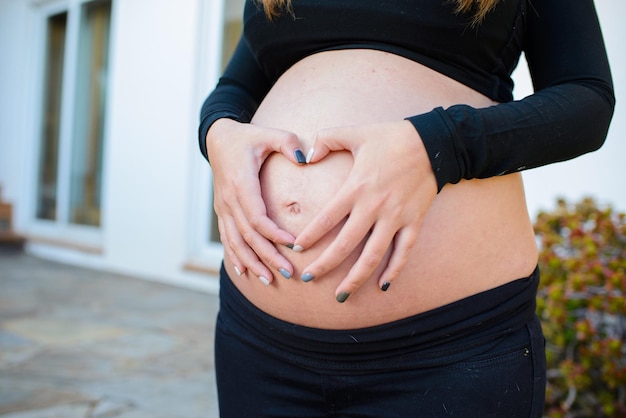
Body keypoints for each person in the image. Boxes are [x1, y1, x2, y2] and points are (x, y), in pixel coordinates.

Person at [199, 0, 614, 416]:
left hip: (450, 353)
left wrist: (439, 143)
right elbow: (238, 85)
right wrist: (219, 133)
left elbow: (587, 99)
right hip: (257, 343)